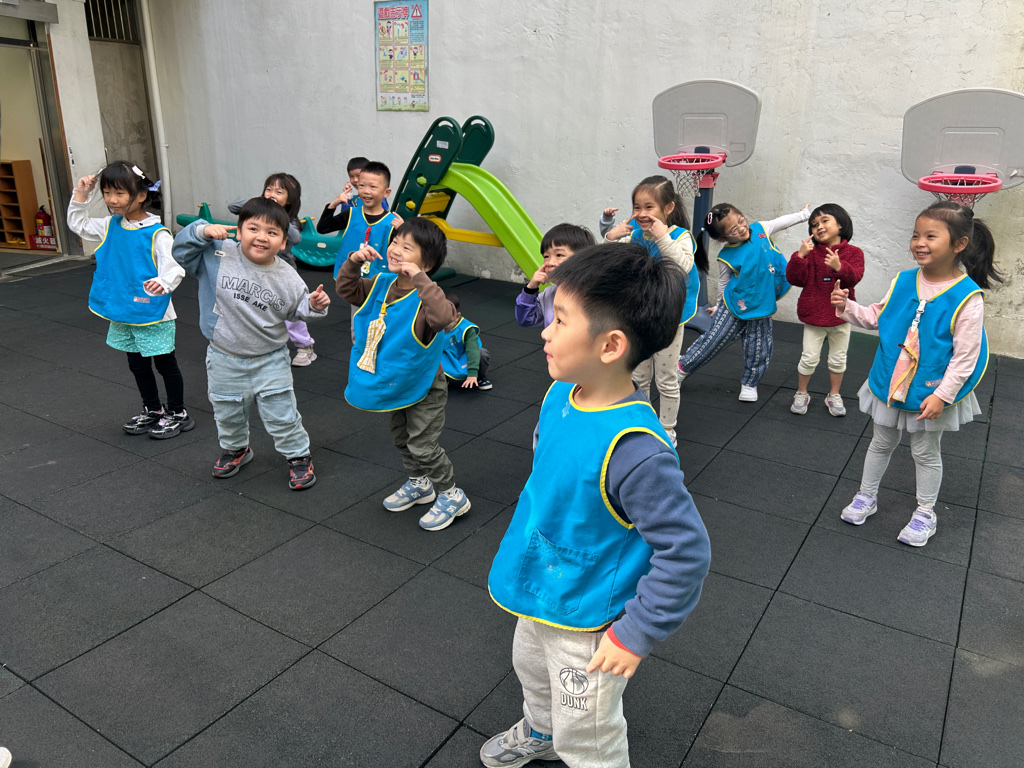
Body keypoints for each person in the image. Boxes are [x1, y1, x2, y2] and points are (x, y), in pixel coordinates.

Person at [482, 242, 710, 768]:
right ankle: (541, 732)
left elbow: (686, 552)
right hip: (543, 584)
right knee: (531, 672)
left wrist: (635, 633)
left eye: (561, 319)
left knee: (586, 731)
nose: (546, 331)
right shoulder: (562, 394)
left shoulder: (636, 450)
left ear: (610, 346)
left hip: (589, 619)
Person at [834, 200, 999, 547]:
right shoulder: (904, 280)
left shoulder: (968, 298)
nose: (919, 243)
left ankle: (925, 513)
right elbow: (879, 316)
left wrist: (942, 395)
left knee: (925, 451)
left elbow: (965, 357)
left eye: (930, 236)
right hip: (892, 381)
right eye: (915, 235)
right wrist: (846, 307)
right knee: (881, 441)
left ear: (959, 244)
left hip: (928, 390)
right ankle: (867, 495)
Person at [172, 197, 331, 489]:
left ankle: (298, 455)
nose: (261, 237)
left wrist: (314, 305)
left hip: (270, 358)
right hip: (223, 356)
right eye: (253, 228)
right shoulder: (217, 253)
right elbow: (180, 252)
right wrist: (201, 231)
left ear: (283, 242)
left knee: (282, 413)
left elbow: (298, 310)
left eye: (272, 232)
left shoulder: (287, 276)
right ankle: (236, 449)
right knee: (227, 411)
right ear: (239, 229)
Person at [336, 217, 472, 531]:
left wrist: (422, 280)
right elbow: (347, 289)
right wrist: (353, 261)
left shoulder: (429, 296)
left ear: (427, 263)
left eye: (407, 247)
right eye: (395, 241)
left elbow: (443, 319)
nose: (395, 250)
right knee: (402, 439)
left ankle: (451, 494)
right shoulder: (381, 283)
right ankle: (419, 483)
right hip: (396, 383)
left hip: (425, 387)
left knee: (423, 444)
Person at [67, 161, 193, 439]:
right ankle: (153, 409)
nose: (112, 200)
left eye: (119, 193)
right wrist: (81, 195)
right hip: (125, 309)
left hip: (153, 312)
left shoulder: (157, 233)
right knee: (136, 363)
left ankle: (178, 412)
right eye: (107, 192)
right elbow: (78, 224)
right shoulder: (110, 226)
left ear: (141, 195)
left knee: (165, 363)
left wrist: (163, 282)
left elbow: (174, 267)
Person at [677, 202, 811, 402]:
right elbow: (723, 283)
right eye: (734, 230)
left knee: (759, 347)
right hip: (733, 305)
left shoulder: (761, 229)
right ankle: (682, 367)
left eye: (741, 220)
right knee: (713, 339)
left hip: (761, 305)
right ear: (723, 238)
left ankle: (750, 383)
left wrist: (803, 215)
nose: (741, 228)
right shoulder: (726, 256)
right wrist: (719, 305)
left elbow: (782, 222)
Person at [605, 176, 702, 445]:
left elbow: (682, 266)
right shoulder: (635, 235)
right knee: (638, 375)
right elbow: (611, 263)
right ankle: (643, 421)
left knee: (667, 379)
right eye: (637, 207)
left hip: (669, 317)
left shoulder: (680, 237)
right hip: (640, 315)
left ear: (668, 208)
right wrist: (610, 236)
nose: (641, 213)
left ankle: (667, 428)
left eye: (649, 207)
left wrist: (662, 237)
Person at [228, 172, 318, 367]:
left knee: (291, 310)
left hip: (282, 273)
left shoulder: (290, 221)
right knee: (257, 304)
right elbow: (233, 206)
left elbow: (296, 238)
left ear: (290, 199)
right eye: (269, 190)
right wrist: (260, 202)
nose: (272, 194)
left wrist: (279, 215)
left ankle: (305, 346)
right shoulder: (259, 212)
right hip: (256, 269)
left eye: (279, 192)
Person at [785, 203, 865, 416]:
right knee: (809, 357)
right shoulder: (810, 253)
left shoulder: (854, 253)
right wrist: (800, 256)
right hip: (814, 315)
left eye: (824, 221)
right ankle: (802, 392)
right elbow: (794, 278)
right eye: (814, 224)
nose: (818, 227)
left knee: (838, 359)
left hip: (841, 315)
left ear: (841, 225)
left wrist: (839, 267)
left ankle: (834, 394)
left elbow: (854, 277)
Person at [317, 160, 401, 279]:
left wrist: (403, 232)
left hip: (376, 280)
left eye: (373, 187)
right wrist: (333, 204)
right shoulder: (351, 214)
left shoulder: (392, 222)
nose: (366, 191)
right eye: (361, 186)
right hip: (348, 277)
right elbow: (323, 228)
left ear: (386, 192)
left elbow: (403, 253)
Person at [514, 223, 595, 329]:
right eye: (546, 256)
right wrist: (530, 289)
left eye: (559, 255)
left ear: (582, 258)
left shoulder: (595, 295)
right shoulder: (548, 295)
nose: (550, 262)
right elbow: (525, 320)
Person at [441, 291, 492, 390]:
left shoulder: (466, 329)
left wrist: (472, 373)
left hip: (465, 356)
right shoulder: (435, 326)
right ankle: (443, 378)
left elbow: (472, 351)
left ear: (457, 317)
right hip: (449, 356)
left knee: (482, 353)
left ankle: (480, 377)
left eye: (446, 319)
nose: (442, 323)